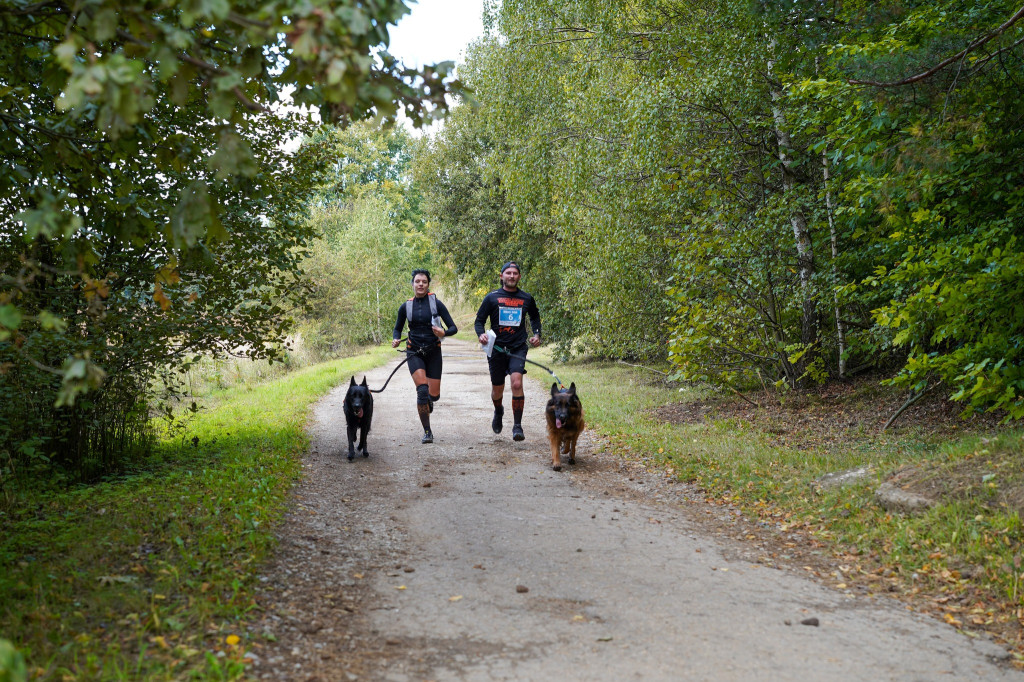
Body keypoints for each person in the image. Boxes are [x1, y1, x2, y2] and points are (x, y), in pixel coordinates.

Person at [474, 261, 542, 441]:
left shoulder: (527, 298)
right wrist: (481, 334)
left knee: (517, 383)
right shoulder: (491, 298)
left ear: (519, 277)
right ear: (501, 276)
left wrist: (537, 334)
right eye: (508, 273)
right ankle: (498, 410)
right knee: (497, 390)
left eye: (515, 273)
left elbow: (535, 316)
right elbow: (479, 320)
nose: (512, 276)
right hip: (496, 349)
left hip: (517, 347)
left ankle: (517, 426)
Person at [392, 269, 458, 444]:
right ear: (412, 284)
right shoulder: (406, 306)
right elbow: (397, 328)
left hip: (434, 351)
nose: (420, 284)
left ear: (428, 285)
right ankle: (427, 431)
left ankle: (430, 400)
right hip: (414, 351)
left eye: (424, 282)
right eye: (417, 281)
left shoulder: (437, 304)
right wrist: (396, 338)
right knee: (422, 390)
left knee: (433, 395)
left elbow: (453, 328)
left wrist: (443, 331)